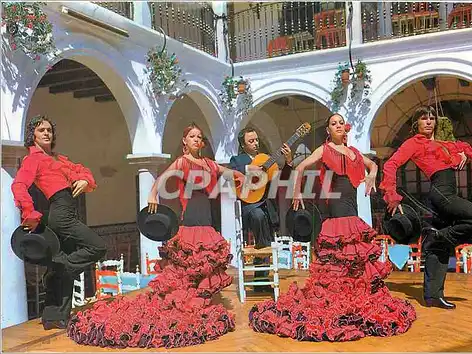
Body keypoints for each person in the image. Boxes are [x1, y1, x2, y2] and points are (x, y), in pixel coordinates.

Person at [67, 123, 245, 349]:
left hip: (207, 219)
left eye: (199, 137)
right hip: (189, 219)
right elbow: (163, 178)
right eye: (192, 136)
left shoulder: (209, 163)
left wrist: (242, 178)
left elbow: (231, 173)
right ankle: (189, 306)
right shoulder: (182, 162)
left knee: (205, 265)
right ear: (185, 141)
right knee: (188, 266)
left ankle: (200, 304)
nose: (196, 140)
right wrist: (152, 194)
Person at [249, 113, 416, 342]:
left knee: (355, 253)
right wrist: (297, 192)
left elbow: (372, 165)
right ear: (328, 130)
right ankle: (338, 297)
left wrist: (372, 176)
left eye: (341, 123)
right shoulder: (325, 150)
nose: (338, 126)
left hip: (352, 206)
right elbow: (299, 168)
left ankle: (355, 296)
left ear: (345, 129)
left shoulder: (354, 153)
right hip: (337, 208)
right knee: (341, 252)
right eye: (334, 124)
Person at [380, 106, 472, 309]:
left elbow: (461, 152)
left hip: (445, 193)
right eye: (424, 119)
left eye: (432, 118)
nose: (429, 122)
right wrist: (392, 195)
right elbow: (391, 164)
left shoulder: (442, 144)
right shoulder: (413, 143)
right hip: (442, 194)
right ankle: (437, 237)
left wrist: (463, 155)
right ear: (417, 123)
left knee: (439, 249)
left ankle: (433, 296)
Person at [11, 115, 107, 330]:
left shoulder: (59, 159)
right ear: (32, 136)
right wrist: (30, 213)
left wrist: (84, 180)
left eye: (49, 130)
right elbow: (18, 186)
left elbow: (82, 172)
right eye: (41, 130)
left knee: (62, 266)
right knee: (98, 247)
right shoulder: (33, 159)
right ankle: (60, 268)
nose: (46, 133)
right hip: (60, 212)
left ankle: (56, 317)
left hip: (69, 211)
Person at [229, 127, 293, 290]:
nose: (256, 143)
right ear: (243, 145)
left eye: (257, 140)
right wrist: (248, 169)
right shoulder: (238, 160)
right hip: (249, 207)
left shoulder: (266, 160)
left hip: (266, 207)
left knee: (264, 224)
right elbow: (230, 174)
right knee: (258, 216)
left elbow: (282, 179)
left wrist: (288, 162)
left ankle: (261, 280)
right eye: (251, 141)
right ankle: (261, 276)